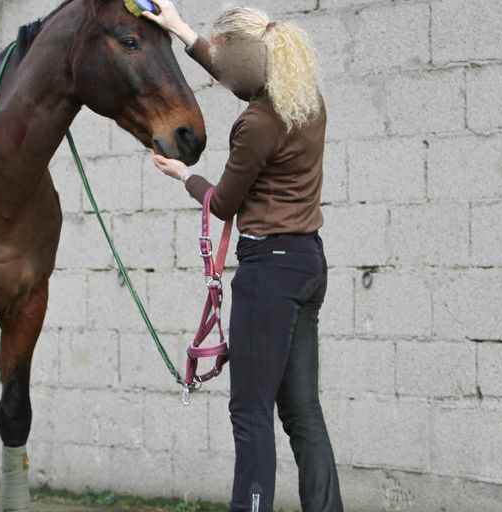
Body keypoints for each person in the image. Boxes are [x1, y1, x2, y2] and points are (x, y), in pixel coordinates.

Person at [142, 3, 343, 511]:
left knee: (249, 412)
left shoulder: (255, 124)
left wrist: (184, 176)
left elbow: (225, 202)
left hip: (269, 272)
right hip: (307, 264)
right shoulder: (305, 100)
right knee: (302, 412)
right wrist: (181, 29)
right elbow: (237, 76)